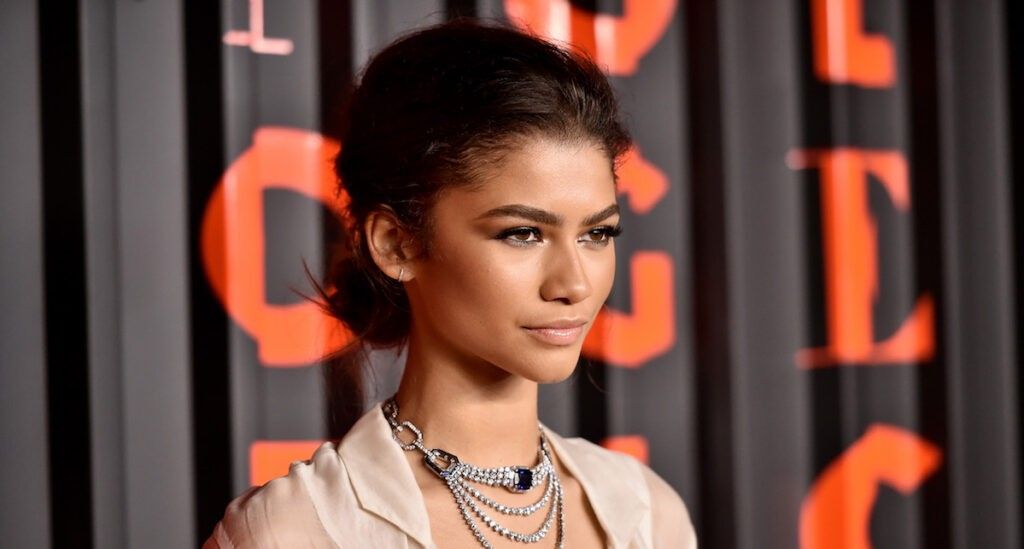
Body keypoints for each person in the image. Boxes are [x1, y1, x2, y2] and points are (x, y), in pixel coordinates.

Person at [205, 18, 696, 549]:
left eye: (598, 233)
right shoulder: (297, 531)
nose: (573, 284)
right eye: (523, 233)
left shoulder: (645, 512)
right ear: (397, 244)